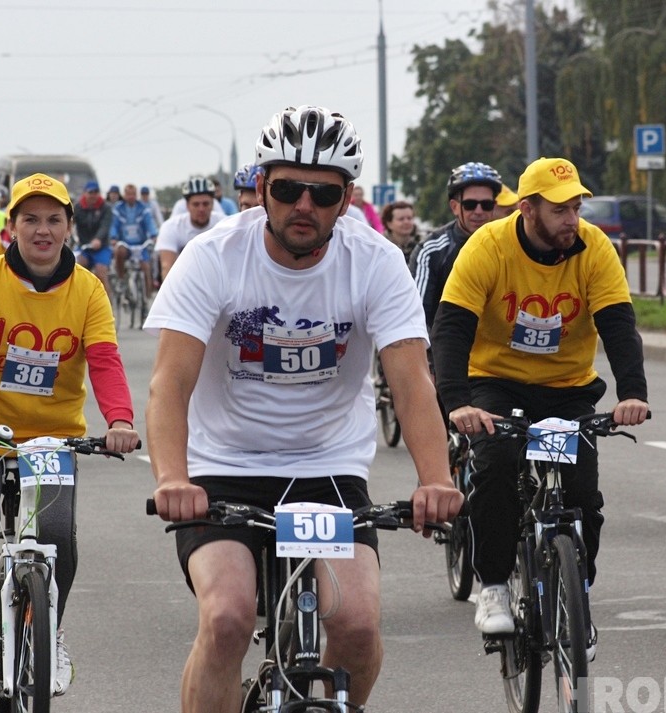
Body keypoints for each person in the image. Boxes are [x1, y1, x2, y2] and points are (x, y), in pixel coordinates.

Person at [143, 105, 463, 713]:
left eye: (324, 193)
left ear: (347, 200)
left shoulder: (376, 261)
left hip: (327, 467)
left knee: (358, 626)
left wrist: (437, 479)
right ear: (262, 188)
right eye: (288, 189)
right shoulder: (213, 256)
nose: (304, 207)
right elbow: (170, 383)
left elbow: (412, 381)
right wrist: (172, 478)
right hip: (222, 467)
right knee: (229, 618)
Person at [0, 173, 140, 705]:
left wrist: (118, 421)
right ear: (11, 227)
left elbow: (106, 363)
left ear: (69, 226)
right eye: (30, 219)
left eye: (53, 219)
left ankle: (50, 629)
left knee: (58, 537)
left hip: (51, 439)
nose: (42, 231)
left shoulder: (88, 288)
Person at [431, 157, 649, 657]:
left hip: (567, 387)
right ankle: (492, 588)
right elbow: (452, 327)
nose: (572, 219)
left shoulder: (594, 248)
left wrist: (632, 393)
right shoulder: (488, 246)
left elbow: (617, 323)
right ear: (527, 209)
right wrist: (457, 403)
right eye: (559, 210)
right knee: (497, 467)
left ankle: (578, 599)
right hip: (496, 383)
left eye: (575, 206)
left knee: (581, 494)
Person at [408, 162, 502, 332]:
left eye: (486, 205)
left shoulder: (508, 244)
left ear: (494, 207)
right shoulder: (430, 251)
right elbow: (417, 317)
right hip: (445, 349)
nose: (479, 211)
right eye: (470, 204)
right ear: (455, 207)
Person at [155, 175, 222, 283]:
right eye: (196, 204)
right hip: (183, 280)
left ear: (213, 204)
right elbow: (167, 267)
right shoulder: (171, 227)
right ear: (187, 206)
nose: (201, 209)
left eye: (206, 204)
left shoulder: (223, 224)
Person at [110, 183, 158, 299]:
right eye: (128, 194)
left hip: (141, 245)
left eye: (133, 194)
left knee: (146, 267)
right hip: (125, 245)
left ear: (136, 195)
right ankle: (121, 279)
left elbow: (149, 222)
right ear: (124, 195)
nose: (131, 197)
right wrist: (114, 237)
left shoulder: (143, 208)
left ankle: (147, 301)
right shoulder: (118, 208)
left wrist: (154, 235)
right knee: (119, 252)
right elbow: (114, 225)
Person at [74, 180, 114, 295]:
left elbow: (105, 226)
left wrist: (98, 239)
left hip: (101, 247)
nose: (93, 195)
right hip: (84, 246)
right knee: (77, 269)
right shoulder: (78, 207)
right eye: (90, 192)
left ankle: (108, 307)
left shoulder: (105, 208)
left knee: (101, 272)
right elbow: (70, 223)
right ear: (85, 193)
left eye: (96, 192)